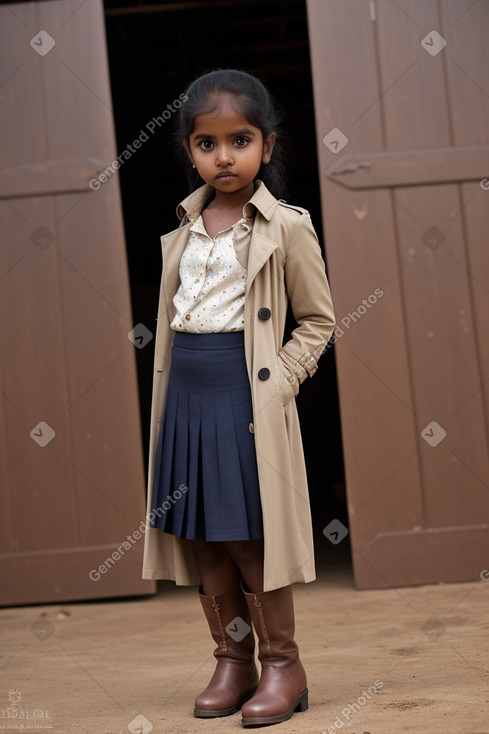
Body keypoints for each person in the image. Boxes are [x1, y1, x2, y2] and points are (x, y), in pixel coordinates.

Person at [142, 68, 335, 727]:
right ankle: (233, 661)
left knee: (251, 539)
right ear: (190, 149)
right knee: (205, 539)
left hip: (243, 398)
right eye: (206, 143)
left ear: (267, 147)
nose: (223, 156)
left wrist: (276, 384)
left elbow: (318, 321)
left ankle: (283, 665)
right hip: (186, 399)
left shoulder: (285, 227)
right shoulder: (181, 231)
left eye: (240, 139)